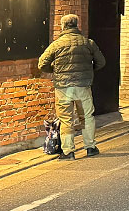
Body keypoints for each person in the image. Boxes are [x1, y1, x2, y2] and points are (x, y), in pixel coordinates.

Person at [38, 14, 106, 159]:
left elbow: (42, 64)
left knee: (66, 119)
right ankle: (90, 147)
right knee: (86, 117)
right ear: (77, 25)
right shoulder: (88, 43)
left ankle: (68, 151)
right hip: (83, 86)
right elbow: (101, 62)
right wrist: (88, 71)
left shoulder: (56, 44)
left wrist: (55, 70)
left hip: (63, 88)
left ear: (63, 26)